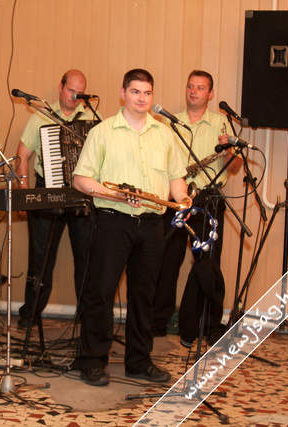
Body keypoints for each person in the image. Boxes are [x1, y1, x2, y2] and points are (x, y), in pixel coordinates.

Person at [72, 69, 190, 386]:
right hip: (113, 221)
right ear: (123, 93)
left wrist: (182, 198)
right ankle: (92, 361)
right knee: (101, 292)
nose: (142, 98)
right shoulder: (103, 132)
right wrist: (114, 194)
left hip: (152, 224)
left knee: (144, 295)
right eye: (136, 91)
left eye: (147, 93)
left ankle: (139, 361)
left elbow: (176, 177)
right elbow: (81, 179)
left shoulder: (164, 134)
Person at [152, 70, 241, 342]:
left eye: (200, 88)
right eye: (191, 86)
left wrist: (229, 151)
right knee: (166, 261)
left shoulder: (221, 124)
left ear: (210, 94)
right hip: (175, 199)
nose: (194, 91)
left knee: (208, 263)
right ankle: (157, 321)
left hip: (208, 198)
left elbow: (235, 165)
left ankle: (205, 325)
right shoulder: (171, 122)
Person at [15, 70, 97, 328]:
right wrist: (23, 191)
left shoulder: (92, 120)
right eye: (71, 90)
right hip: (47, 191)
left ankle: (87, 318)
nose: (74, 96)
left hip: (81, 194)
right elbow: (22, 154)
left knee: (87, 258)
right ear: (60, 87)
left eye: (79, 93)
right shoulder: (42, 116)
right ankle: (31, 314)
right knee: (40, 257)